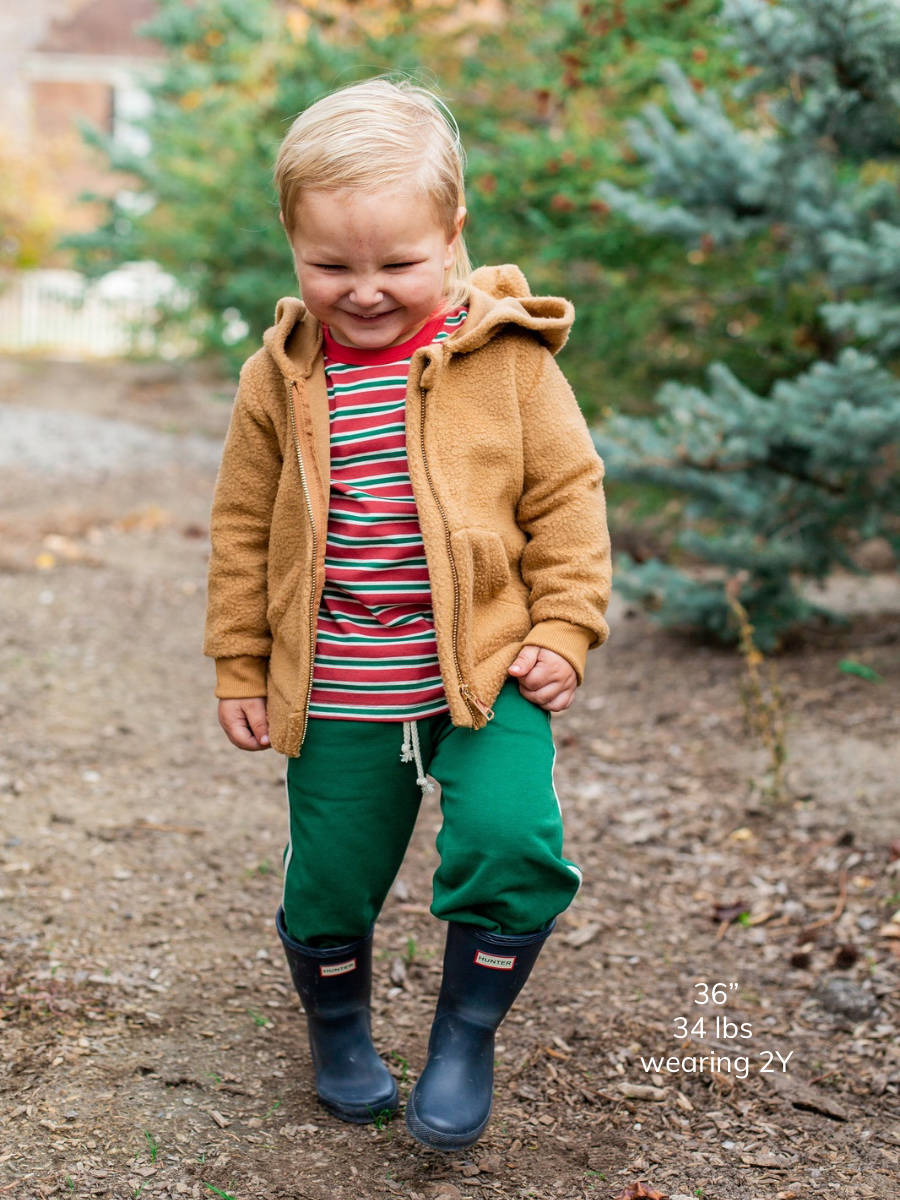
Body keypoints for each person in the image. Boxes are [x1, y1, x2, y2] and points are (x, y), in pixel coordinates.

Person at [203, 76, 612, 1152]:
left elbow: (568, 497)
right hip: (337, 677)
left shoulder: (510, 363)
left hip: (487, 668)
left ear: (454, 234)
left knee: (512, 838)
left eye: (398, 263)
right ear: (292, 244)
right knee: (333, 874)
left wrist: (564, 627)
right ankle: (338, 1030)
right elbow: (245, 526)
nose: (366, 291)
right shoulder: (280, 379)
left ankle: (464, 1038)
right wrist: (240, 661)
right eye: (331, 266)